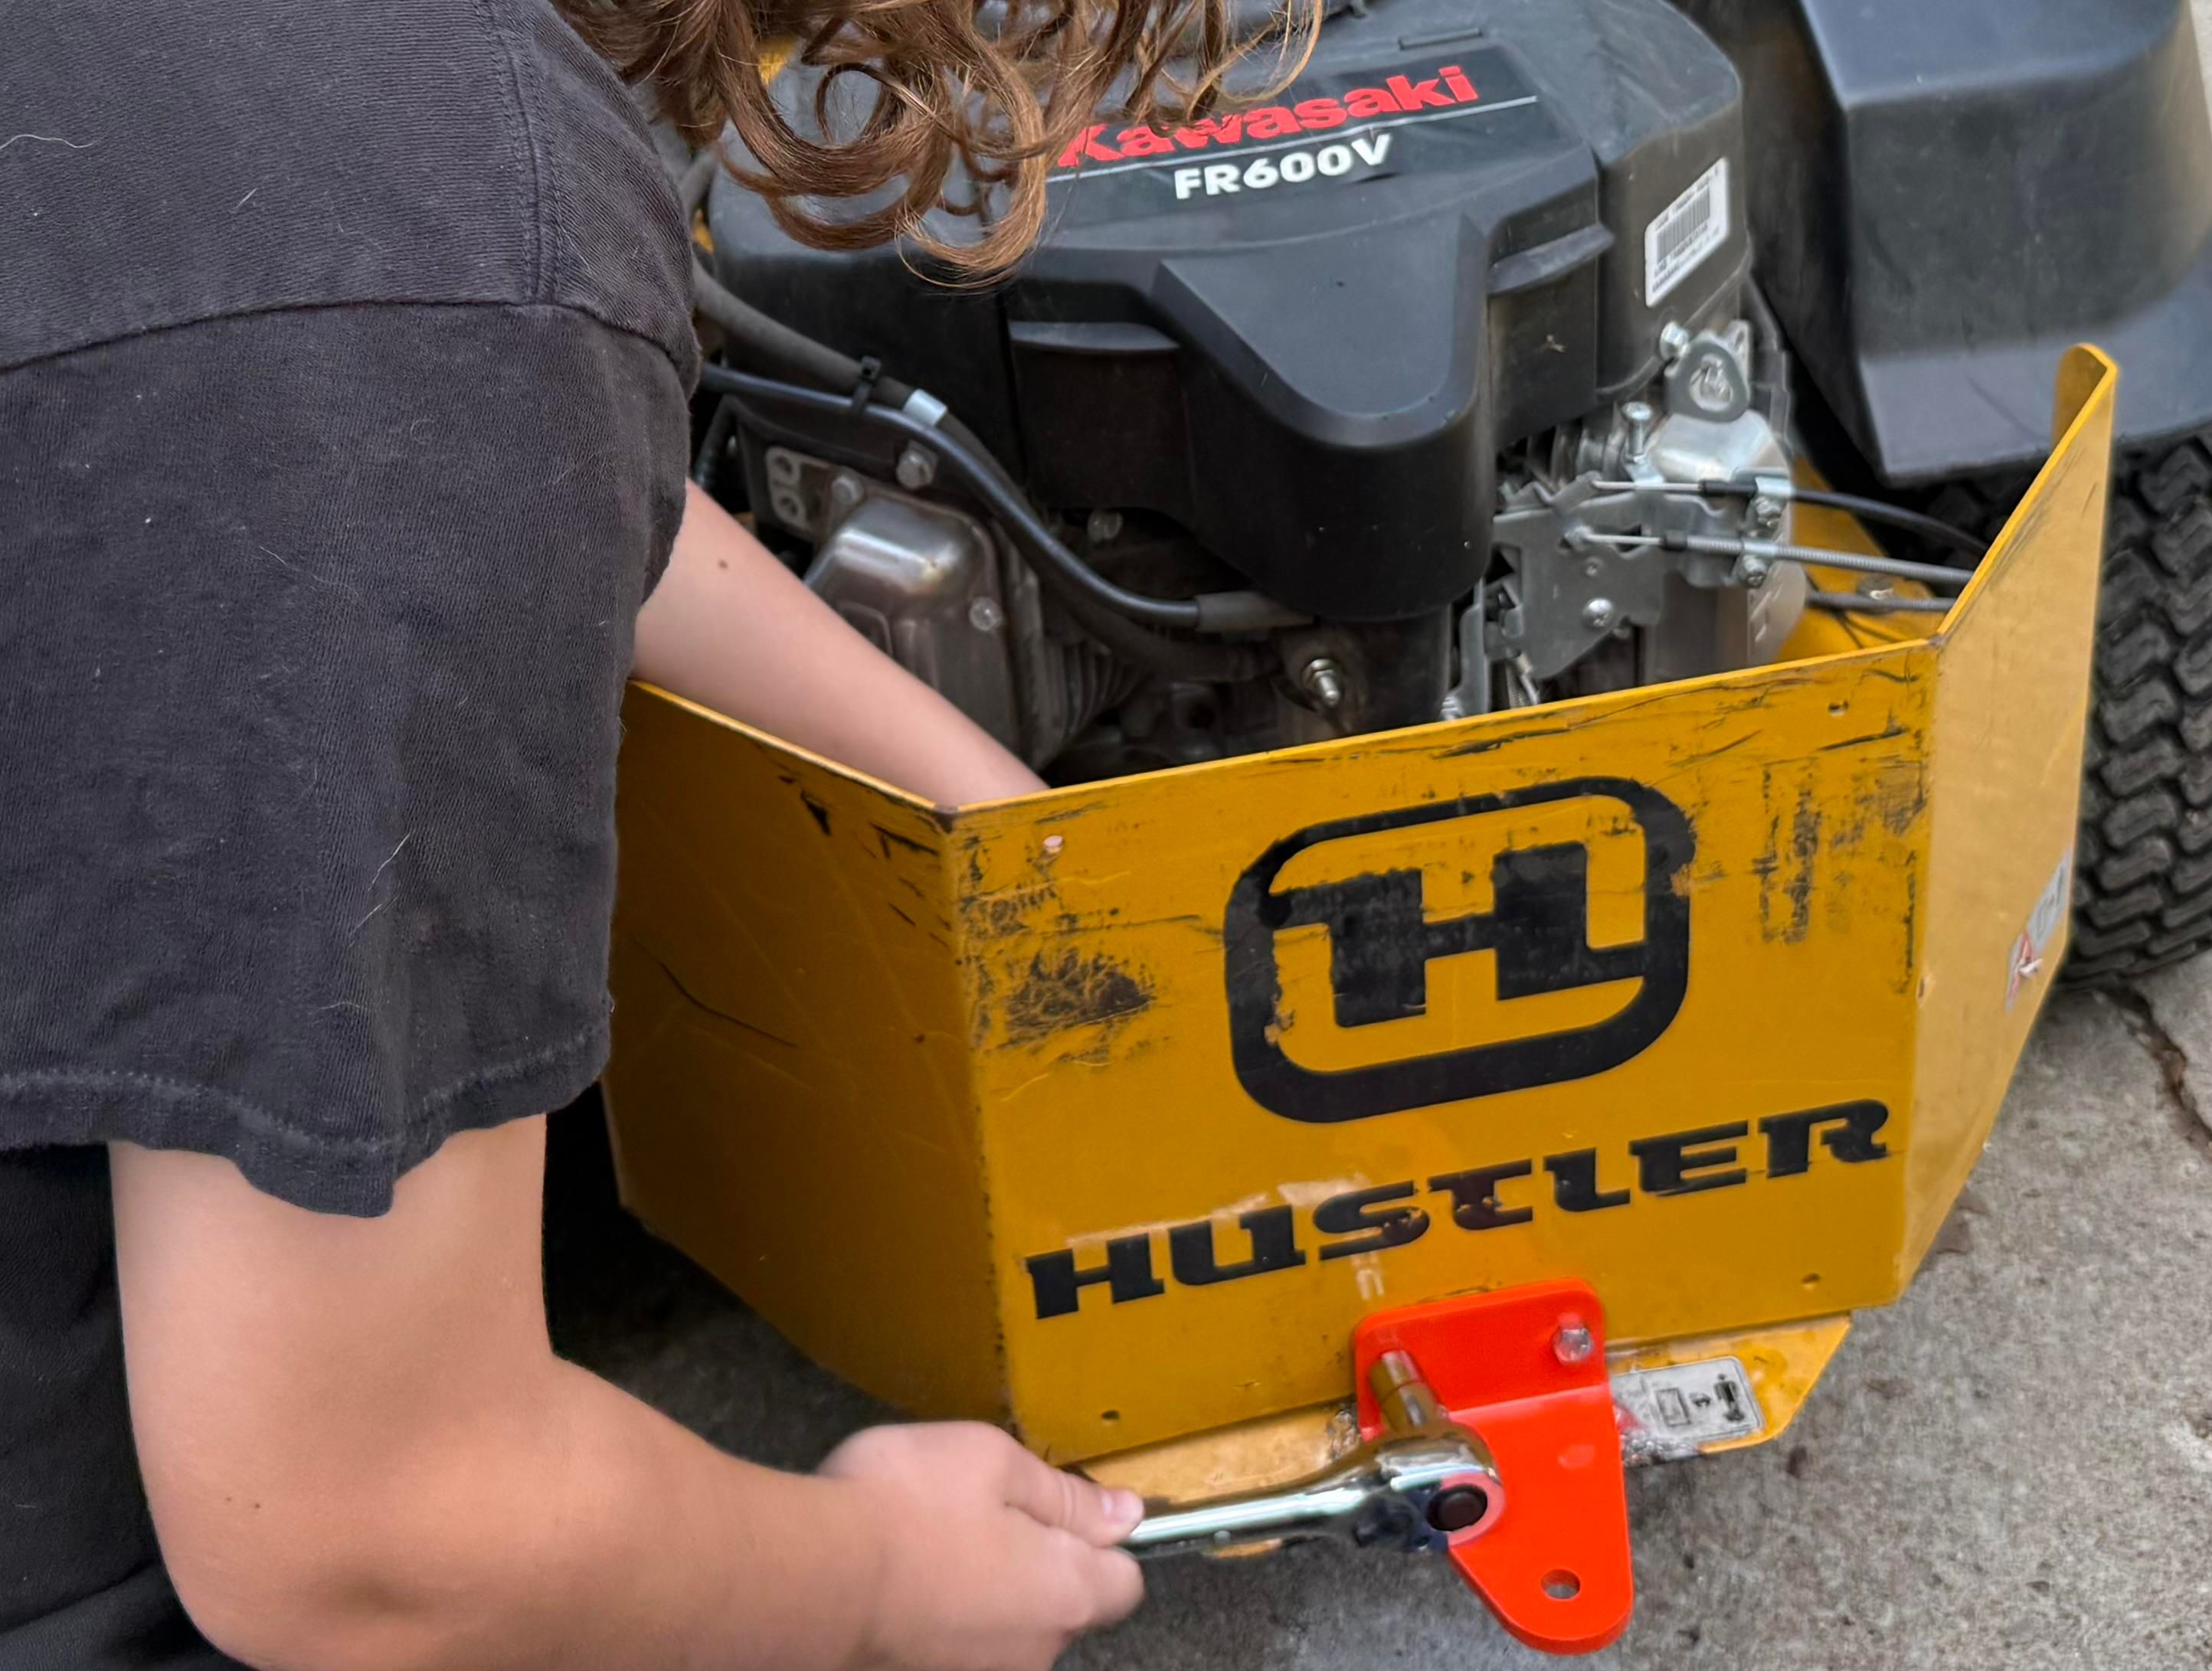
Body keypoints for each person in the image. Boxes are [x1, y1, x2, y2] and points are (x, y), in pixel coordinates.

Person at [0, 2, 1306, 1666]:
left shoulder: (313, 149)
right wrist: (877, 1577)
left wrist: (1010, 827)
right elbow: (366, 1535)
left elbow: (341, 413)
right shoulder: (427, 200)